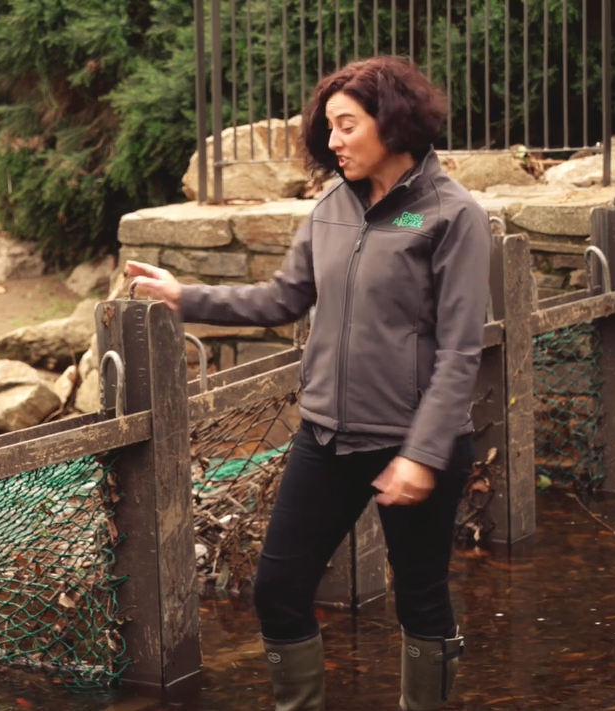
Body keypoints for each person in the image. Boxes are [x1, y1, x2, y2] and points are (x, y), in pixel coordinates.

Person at [125, 56, 490, 711]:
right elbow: (282, 298)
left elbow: (461, 349)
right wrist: (185, 296)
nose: (333, 141)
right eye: (328, 127)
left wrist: (420, 453)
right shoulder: (330, 206)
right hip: (324, 435)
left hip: (412, 443)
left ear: (393, 120)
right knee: (278, 591)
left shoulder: (449, 215)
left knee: (420, 595)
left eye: (347, 125)